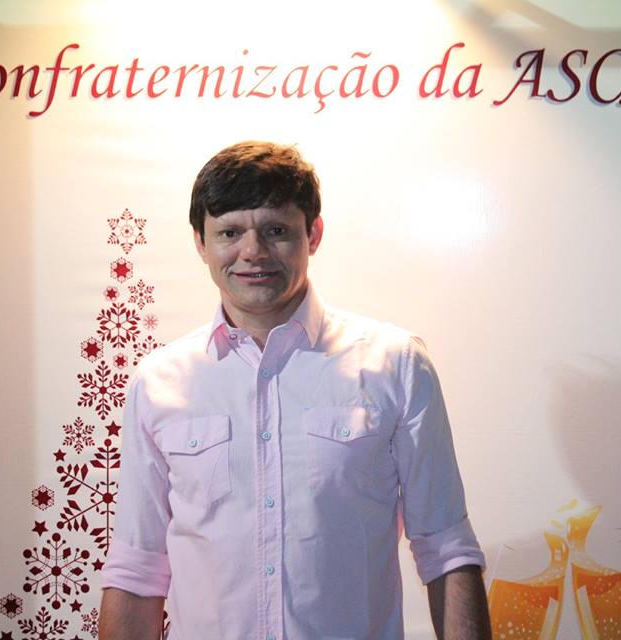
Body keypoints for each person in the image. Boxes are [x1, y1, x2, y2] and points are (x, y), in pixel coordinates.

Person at [99, 141, 490, 640]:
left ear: (314, 234)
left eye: (276, 230)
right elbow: (138, 568)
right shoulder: (158, 382)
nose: (252, 252)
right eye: (230, 232)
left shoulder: (395, 365)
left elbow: (446, 548)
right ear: (200, 242)